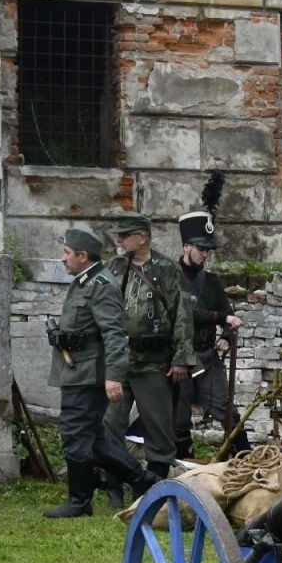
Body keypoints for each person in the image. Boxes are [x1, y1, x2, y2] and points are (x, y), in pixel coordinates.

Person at [44, 228, 158, 518]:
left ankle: (80, 502)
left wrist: (114, 375)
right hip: (76, 371)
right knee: (93, 438)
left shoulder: (101, 284)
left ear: (84, 256)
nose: (63, 258)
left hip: (88, 374)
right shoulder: (84, 281)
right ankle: (144, 481)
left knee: (75, 433)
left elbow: (114, 333)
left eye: (68, 253)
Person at [102, 213, 196, 506]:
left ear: (141, 237)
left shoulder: (167, 269)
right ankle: (114, 483)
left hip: (154, 362)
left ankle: (150, 490)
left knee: (158, 429)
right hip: (120, 360)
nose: (119, 240)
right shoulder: (114, 267)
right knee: (109, 425)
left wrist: (181, 357)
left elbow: (182, 314)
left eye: (125, 235)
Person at [174, 193, 242, 459]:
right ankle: (182, 461)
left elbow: (228, 313)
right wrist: (220, 319)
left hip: (207, 356)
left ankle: (243, 455)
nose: (205, 254)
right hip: (180, 357)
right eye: (201, 248)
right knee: (178, 416)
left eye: (207, 250)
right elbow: (189, 313)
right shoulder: (170, 279)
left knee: (225, 409)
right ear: (186, 246)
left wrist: (225, 335)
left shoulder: (211, 281)